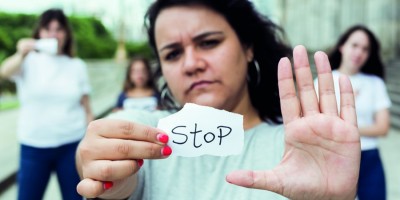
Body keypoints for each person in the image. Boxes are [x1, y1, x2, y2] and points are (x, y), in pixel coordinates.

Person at [76, 0, 360, 199]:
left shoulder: (300, 145)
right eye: (172, 54)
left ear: (248, 47)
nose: (191, 64)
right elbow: (108, 142)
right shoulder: (151, 136)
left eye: (208, 42)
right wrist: (103, 166)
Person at [0, 9, 92, 200]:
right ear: (39, 33)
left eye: (58, 29)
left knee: (74, 196)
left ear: (66, 33)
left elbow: (87, 108)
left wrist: (89, 140)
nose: (53, 34)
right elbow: (4, 72)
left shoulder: (77, 66)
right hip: (34, 144)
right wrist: (21, 53)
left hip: (71, 144)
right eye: (47, 29)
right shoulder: (28, 61)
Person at [315, 25, 391, 200]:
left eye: (365, 49)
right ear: (342, 46)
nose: (359, 52)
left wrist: (344, 127)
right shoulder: (324, 80)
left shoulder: (375, 83)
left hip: (369, 157)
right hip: (334, 156)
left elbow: (383, 127)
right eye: (354, 45)